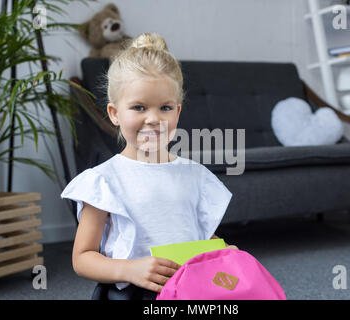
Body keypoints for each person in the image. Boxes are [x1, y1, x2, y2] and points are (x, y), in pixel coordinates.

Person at [61, 33, 237, 300]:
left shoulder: (195, 175)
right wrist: (130, 269)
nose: (154, 119)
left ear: (177, 112)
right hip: (132, 293)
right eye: (139, 107)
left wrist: (223, 251)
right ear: (115, 113)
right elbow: (83, 258)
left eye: (165, 107)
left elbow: (200, 236)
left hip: (189, 291)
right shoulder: (103, 181)